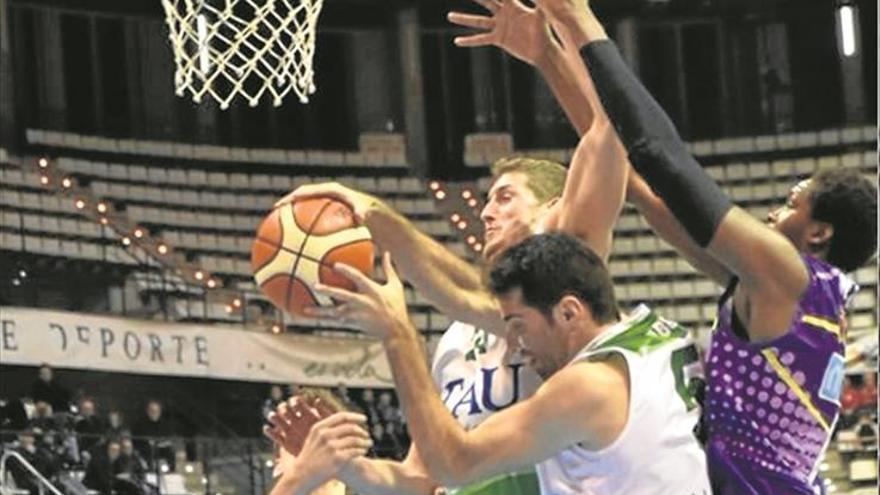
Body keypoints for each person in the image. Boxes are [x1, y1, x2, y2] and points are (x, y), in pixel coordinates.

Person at [274, 1, 629, 492]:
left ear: (553, 208)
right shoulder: (458, 340)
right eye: (487, 201)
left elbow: (607, 135)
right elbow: (424, 475)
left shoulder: (566, 294)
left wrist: (552, 50)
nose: (486, 212)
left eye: (505, 197)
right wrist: (343, 465)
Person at [535, 0, 878, 493]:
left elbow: (664, 159)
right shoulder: (785, 296)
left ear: (818, 233)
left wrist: (579, 20)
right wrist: (546, 55)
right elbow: (626, 167)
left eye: (790, 204)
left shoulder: (787, 275)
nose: (772, 214)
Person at [283, 234, 710, 494]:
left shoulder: (589, 386)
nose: (516, 344)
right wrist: (346, 466)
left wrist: (398, 334)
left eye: (519, 326)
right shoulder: (660, 331)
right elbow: (427, 478)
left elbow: (453, 463)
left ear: (569, 312)